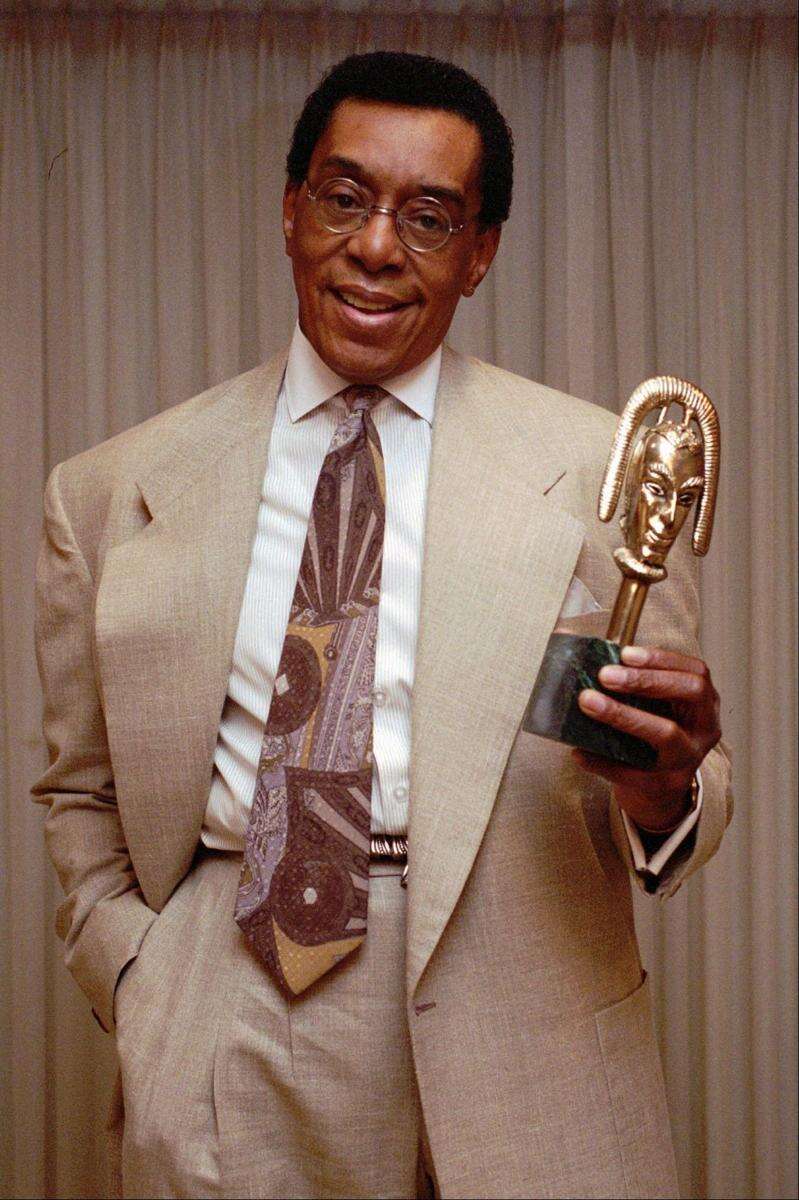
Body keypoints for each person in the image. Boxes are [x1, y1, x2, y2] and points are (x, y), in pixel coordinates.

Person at [33, 51, 730, 1200]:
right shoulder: (111, 492)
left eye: (428, 217)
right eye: (344, 198)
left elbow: (685, 786)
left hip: (527, 1002)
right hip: (229, 994)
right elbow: (77, 789)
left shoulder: (598, 474)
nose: (374, 247)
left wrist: (668, 793)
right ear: (290, 211)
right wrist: (141, 975)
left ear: (479, 253)